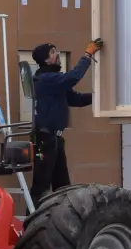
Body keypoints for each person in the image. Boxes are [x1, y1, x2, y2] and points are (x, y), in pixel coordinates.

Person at [27, 38, 103, 209]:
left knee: (63, 187)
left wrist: (99, 97)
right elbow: (73, 77)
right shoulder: (45, 79)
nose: (57, 54)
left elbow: (75, 99)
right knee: (41, 186)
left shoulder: (55, 82)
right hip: (44, 140)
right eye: (53, 52)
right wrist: (87, 55)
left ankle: (61, 218)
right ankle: (31, 219)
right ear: (45, 60)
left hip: (55, 140)